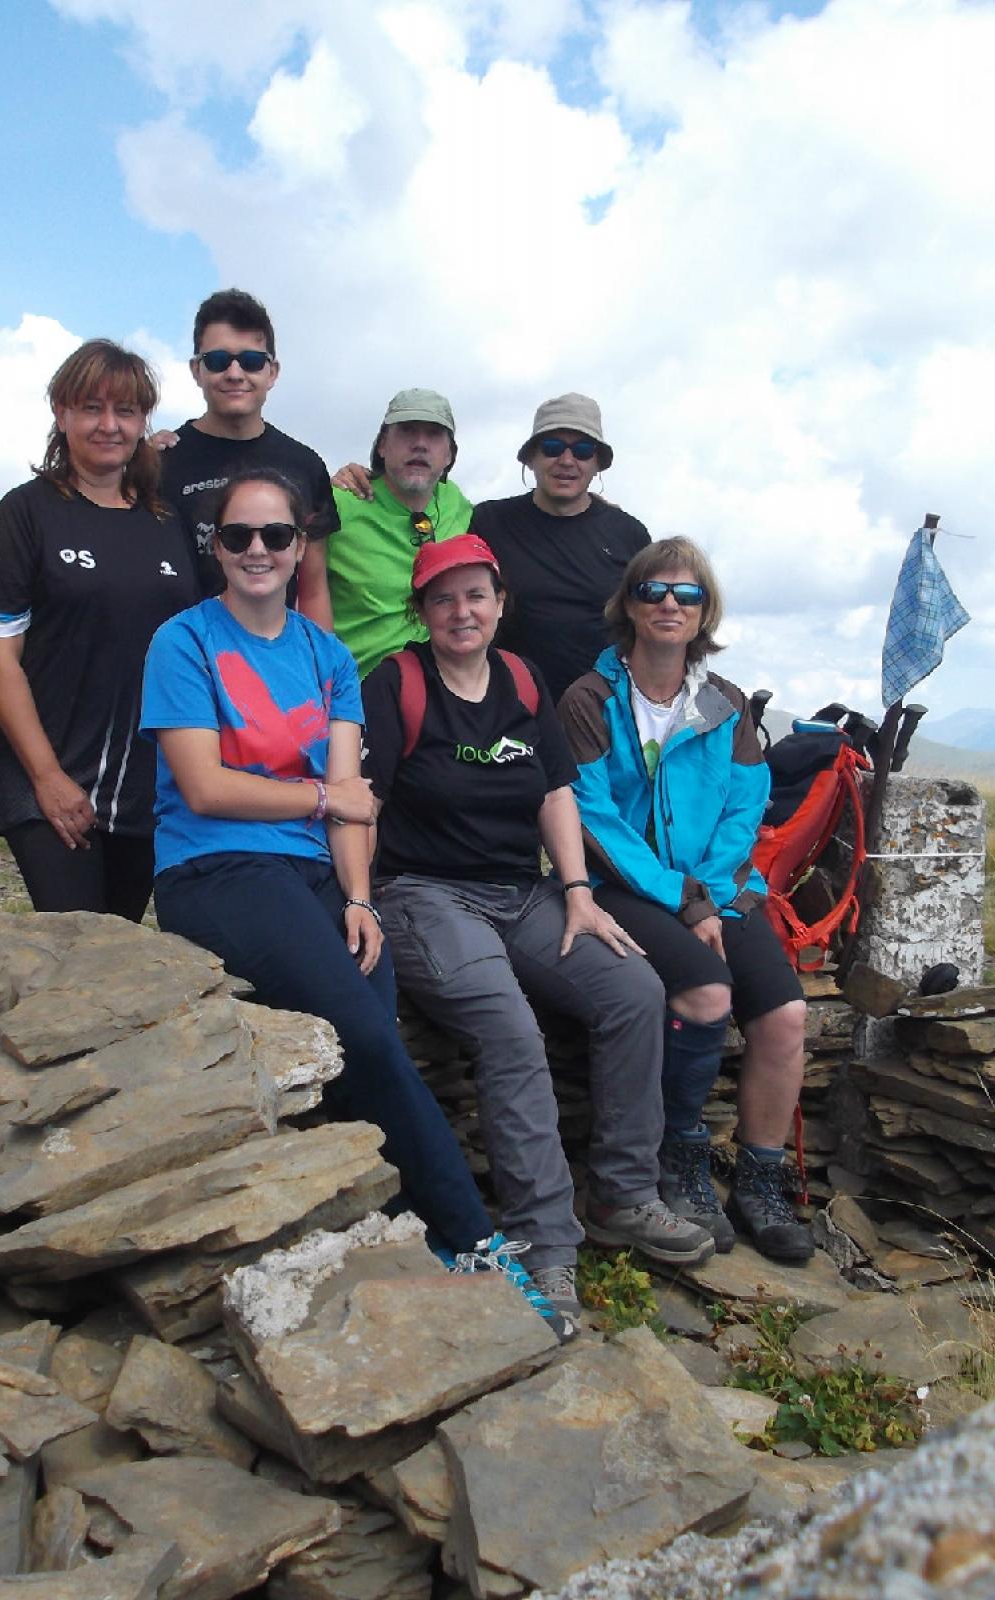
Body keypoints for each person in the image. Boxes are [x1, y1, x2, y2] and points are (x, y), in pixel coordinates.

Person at [140, 467, 564, 1333]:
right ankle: (474, 1239)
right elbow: (205, 785)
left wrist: (362, 898)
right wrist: (322, 803)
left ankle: (386, 1233)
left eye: (275, 536)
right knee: (363, 1033)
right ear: (215, 548)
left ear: (301, 548)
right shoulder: (181, 642)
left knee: (373, 1043)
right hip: (216, 869)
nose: (257, 550)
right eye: (237, 536)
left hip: (318, 874)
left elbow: (349, 789)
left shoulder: (327, 655)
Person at [362, 534, 713, 1329]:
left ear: (498, 603)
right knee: (510, 1031)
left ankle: (624, 1195)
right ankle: (546, 1246)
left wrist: (580, 893)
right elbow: (363, 797)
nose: (462, 611)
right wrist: (354, 898)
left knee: (633, 991)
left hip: (523, 891)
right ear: (421, 611)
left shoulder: (521, 680)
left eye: (476, 595)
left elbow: (555, 790)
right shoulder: (395, 684)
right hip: (424, 894)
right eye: (443, 598)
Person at [556, 538, 814, 1264]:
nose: (669, 604)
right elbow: (592, 816)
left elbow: (745, 805)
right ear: (629, 605)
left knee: (786, 1014)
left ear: (704, 612)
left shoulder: (723, 704)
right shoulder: (590, 699)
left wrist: (709, 892)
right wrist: (681, 897)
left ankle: (761, 1179)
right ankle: (682, 1156)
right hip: (624, 887)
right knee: (704, 998)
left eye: (687, 594)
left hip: (720, 888)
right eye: (653, 590)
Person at [0, 340, 198, 920]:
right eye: (91, 408)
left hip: (144, 786)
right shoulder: (28, 511)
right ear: (61, 412)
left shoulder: (166, 522)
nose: (109, 425)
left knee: (115, 950)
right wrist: (46, 777)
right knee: (75, 942)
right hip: (48, 773)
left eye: (125, 411)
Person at [156, 289, 339, 626]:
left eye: (252, 361)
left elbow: (312, 590)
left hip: (274, 663)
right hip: (183, 662)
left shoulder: (306, 465)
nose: (235, 373)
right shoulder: (159, 462)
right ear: (196, 370)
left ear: (272, 372)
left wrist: (319, 671)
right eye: (218, 361)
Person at [470, 394, 650, 702]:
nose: (567, 461)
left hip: (601, 711)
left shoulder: (629, 534)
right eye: (552, 448)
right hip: (507, 707)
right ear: (531, 458)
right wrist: (366, 478)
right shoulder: (488, 521)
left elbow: (651, 623)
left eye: (582, 450)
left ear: (597, 463)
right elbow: (427, 505)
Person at [326, 389, 473, 680]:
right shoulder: (336, 504)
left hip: (445, 691)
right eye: (406, 431)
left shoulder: (458, 504)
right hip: (359, 694)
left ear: (449, 455)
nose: (419, 444)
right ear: (382, 445)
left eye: (433, 434)